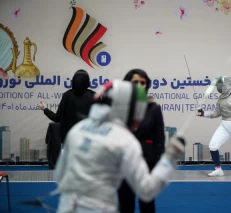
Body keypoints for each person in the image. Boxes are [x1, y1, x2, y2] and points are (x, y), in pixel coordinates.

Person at [53, 80, 186, 213]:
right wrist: (170, 157)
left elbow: (59, 175)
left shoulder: (78, 129)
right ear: (129, 107)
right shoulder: (124, 140)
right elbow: (147, 191)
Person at [118, 69, 165, 213]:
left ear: (147, 85)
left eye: (142, 82)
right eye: (135, 82)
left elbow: (159, 139)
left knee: (147, 204)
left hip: (147, 164)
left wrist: (157, 165)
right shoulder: (118, 107)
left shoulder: (154, 108)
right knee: (125, 204)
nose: (139, 85)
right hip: (124, 163)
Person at [39, 70, 95, 143]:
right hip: (88, 141)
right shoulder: (94, 96)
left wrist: (45, 109)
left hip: (69, 141)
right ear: (88, 83)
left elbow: (56, 118)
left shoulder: (67, 95)